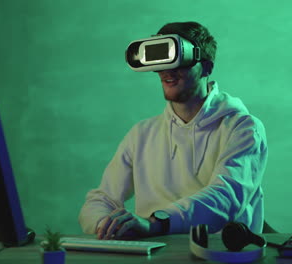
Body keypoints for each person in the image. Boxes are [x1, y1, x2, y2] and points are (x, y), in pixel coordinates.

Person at [78, 21, 268, 240]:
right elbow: (101, 199)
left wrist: (156, 223)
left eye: (178, 61)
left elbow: (226, 198)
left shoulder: (242, 128)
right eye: (161, 62)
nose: (167, 71)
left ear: (206, 67)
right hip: (152, 255)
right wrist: (109, 225)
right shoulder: (141, 134)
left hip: (218, 255)